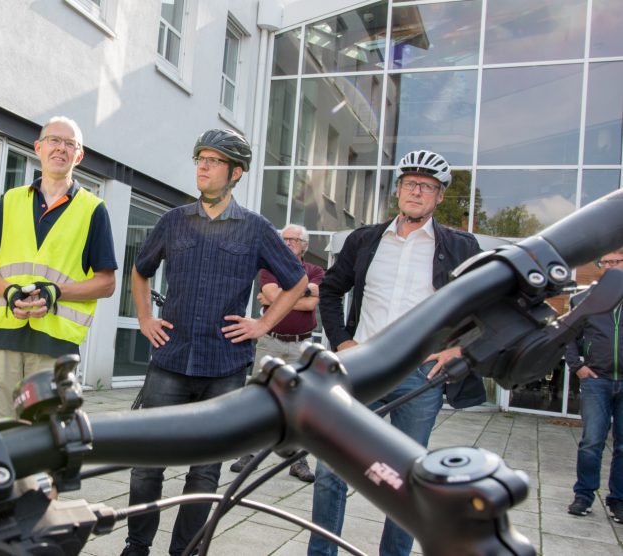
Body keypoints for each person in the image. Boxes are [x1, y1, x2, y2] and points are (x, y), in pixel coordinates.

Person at [122, 129, 308, 556]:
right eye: (200, 158)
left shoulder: (256, 229)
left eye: (213, 160)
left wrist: (262, 325)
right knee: (146, 466)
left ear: (236, 172)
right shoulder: (173, 220)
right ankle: (136, 548)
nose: (202, 167)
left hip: (225, 367)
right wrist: (146, 317)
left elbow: (296, 281)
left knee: (204, 474)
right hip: (169, 361)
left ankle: (183, 552)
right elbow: (140, 269)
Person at [308, 149, 486, 556]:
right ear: (398, 190)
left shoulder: (460, 246)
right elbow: (331, 291)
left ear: (440, 197)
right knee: (333, 468)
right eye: (410, 184)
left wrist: (459, 347)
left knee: (406, 480)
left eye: (427, 186)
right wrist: (342, 343)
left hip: (419, 376)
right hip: (362, 368)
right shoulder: (366, 239)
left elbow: (488, 304)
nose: (416, 192)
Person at [0, 116, 117, 424]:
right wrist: (8, 291)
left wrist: (57, 291)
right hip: (3, 338)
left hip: (55, 348)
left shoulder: (93, 209)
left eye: (70, 144)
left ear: (79, 155)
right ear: (38, 148)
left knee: (42, 442)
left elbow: (106, 283)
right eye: (54, 140)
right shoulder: (11, 200)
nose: (60, 149)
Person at [229, 224, 323, 482]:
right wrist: (298, 295)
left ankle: (297, 459)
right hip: (270, 342)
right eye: (285, 239)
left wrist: (280, 297)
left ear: (305, 245)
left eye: (295, 239)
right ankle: (249, 453)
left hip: (301, 346)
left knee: (299, 402)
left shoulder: (315, 271)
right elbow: (274, 294)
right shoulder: (269, 268)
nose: (289, 242)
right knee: (260, 397)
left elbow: (311, 301)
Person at [566, 250, 623, 522]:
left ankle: (618, 500)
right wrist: (577, 366)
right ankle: (584, 495)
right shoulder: (584, 298)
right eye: (605, 262)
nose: (610, 266)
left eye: (617, 261)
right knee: (592, 442)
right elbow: (567, 336)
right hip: (596, 381)